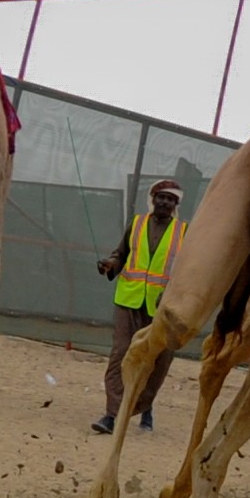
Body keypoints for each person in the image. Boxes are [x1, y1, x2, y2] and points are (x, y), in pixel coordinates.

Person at [93, 178, 188, 434]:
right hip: (129, 301)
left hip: (163, 309)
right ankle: (112, 415)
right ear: (153, 198)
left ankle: (145, 407)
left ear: (176, 204)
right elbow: (121, 254)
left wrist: (172, 295)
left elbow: (187, 271)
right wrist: (110, 265)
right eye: (161, 197)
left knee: (156, 360)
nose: (165, 202)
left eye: (171, 199)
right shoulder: (135, 224)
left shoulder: (184, 232)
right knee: (121, 355)